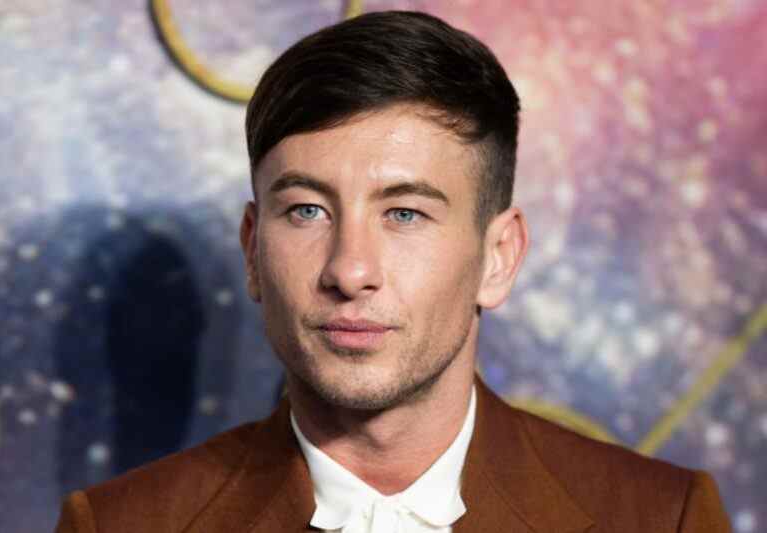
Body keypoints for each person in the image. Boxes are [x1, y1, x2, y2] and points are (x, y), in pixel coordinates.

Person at [56, 10, 732, 533]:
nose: (350, 269)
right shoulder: (118, 525)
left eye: (405, 213)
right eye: (307, 210)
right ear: (253, 248)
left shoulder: (659, 517)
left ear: (498, 258)